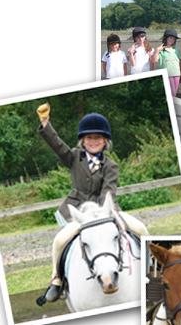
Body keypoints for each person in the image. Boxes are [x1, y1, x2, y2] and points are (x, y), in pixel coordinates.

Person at [36, 103, 121, 301]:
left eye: (98, 137)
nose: (93, 141)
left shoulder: (111, 166)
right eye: (89, 137)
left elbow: (108, 192)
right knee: (59, 240)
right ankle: (56, 280)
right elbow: (57, 144)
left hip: (105, 210)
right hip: (78, 212)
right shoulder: (73, 157)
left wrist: (104, 215)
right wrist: (45, 122)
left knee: (140, 229)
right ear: (83, 141)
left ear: (105, 140)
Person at [151, 28, 181, 96]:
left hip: (176, 74)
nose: (172, 40)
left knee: (174, 94)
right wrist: (157, 50)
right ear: (166, 38)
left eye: (173, 38)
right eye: (170, 38)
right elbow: (154, 61)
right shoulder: (161, 50)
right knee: (171, 93)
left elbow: (180, 63)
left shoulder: (176, 50)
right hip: (167, 75)